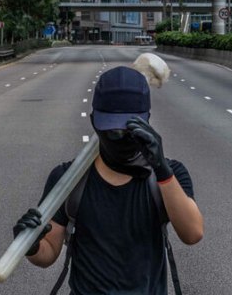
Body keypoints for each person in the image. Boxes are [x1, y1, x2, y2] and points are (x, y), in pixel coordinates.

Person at [14, 66, 204, 294]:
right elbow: (48, 253)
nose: (120, 138)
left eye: (128, 130)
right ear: (94, 122)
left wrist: (161, 169)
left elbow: (192, 233)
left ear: (147, 121)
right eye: (111, 131)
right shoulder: (68, 179)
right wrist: (31, 245)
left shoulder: (168, 175)